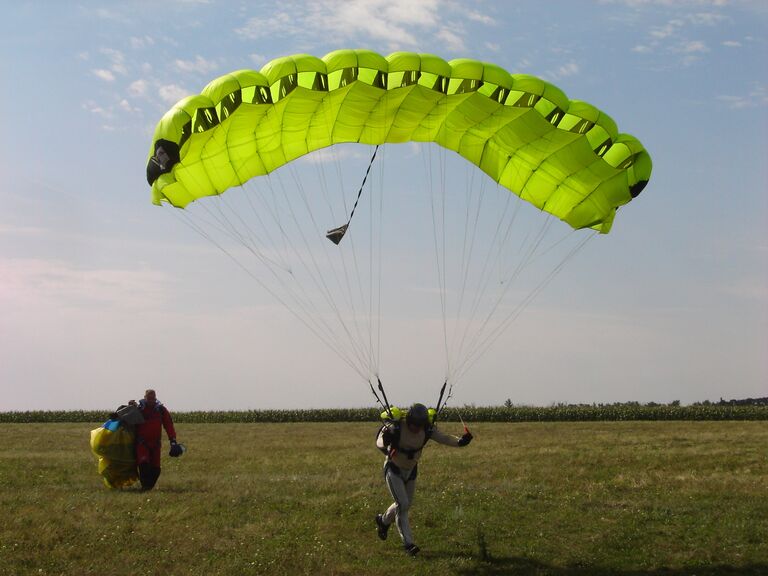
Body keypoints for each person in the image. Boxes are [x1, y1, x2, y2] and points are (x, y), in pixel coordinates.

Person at [374, 403, 473, 556]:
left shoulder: (426, 429)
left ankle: (383, 521)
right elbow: (379, 440)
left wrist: (460, 442)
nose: (416, 428)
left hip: (411, 470)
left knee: (406, 504)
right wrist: (385, 440)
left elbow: (444, 438)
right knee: (403, 504)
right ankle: (408, 544)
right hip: (393, 469)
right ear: (409, 420)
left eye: (419, 426)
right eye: (414, 425)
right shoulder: (397, 426)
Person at [128, 389, 180, 490]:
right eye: (149, 398)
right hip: (142, 444)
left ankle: (147, 488)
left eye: (153, 398)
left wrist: (173, 440)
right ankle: (145, 488)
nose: (151, 400)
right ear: (145, 398)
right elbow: (128, 420)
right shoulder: (139, 409)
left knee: (156, 469)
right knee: (144, 465)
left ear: (155, 398)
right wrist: (130, 407)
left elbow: (168, 425)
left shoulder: (160, 410)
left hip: (156, 445)